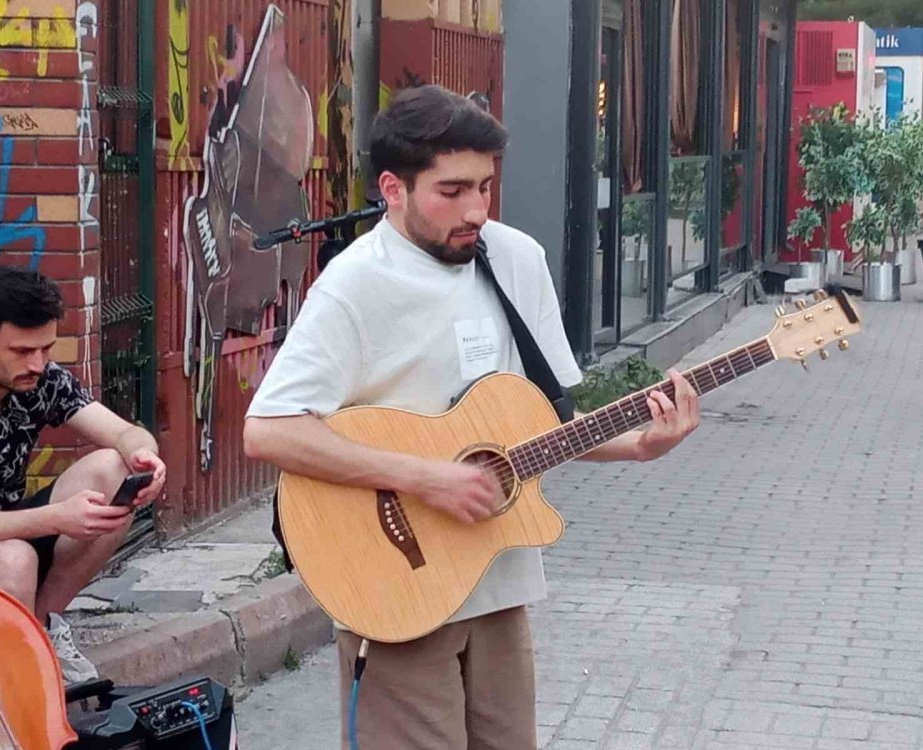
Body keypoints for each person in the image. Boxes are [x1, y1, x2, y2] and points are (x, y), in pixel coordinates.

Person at [243, 85, 700, 749]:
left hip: (498, 579)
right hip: (394, 584)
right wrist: (426, 478)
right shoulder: (354, 285)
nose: (476, 211)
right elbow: (270, 431)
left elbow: (543, 425)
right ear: (393, 189)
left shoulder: (516, 260)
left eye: (485, 187)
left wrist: (637, 445)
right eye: (451, 191)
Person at [0, 267, 166, 685]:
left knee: (115, 469)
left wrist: (144, 456)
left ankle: (40, 631)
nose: (38, 363)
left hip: (9, 534)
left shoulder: (39, 379)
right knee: (13, 557)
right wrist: (55, 519)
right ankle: (14, 680)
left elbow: (122, 433)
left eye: (45, 348)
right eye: (23, 350)